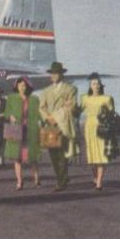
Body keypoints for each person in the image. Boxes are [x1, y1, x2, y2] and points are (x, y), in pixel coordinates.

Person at [39, 61, 78, 192]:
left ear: (62, 74)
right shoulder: (46, 91)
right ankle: (62, 177)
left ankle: (61, 181)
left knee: (62, 154)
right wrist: (48, 118)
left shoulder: (70, 89)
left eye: (56, 73)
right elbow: (41, 107)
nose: (54, 76)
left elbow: (71, 106)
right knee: (53, 154)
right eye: (52, 73)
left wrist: (55, 117)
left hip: (63, 125)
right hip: (50, 125)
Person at [2, 77, 42, 190]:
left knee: (32, 157)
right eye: (20, 85)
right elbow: (6, 113)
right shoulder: (11, 98)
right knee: (17, 157)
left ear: (28, 87)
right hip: (16, 129)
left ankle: (37, 179)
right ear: (16, 87)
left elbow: (40, 113)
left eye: (24, 85)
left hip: (31, 130)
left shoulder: (34, 99)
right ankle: (19, 182)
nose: (22, 87)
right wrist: (10, 116)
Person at [79, 72, 116, 190]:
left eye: (98, 83)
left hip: (102, 128)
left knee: (101, 155)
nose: (96, 86)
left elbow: (112, 114)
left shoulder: (107, 98)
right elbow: (78, 111)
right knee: (92, 157)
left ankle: (99, 182)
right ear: (90, 86)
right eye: (94, 84)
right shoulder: (85, 98)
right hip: (89, 127)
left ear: (101, 85)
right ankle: (95, 176)